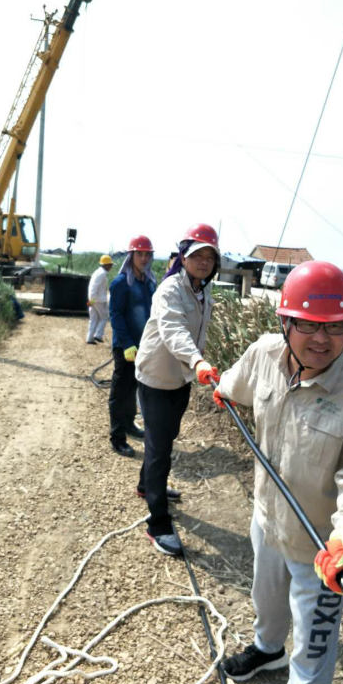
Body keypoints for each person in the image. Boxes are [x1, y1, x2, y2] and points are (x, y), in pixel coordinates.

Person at [213, 260, 343, 684]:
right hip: (267, 520)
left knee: (314, 647)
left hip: (320, 547)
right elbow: (235, 384)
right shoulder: (263, 354)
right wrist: (221, 390)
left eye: (335, 327)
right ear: (285, 322)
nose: (321, 339)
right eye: (308, 324)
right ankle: (267, 649)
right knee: (267, 601)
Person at [135, 223, 221, 557]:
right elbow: (173, 330)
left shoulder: (202, 291)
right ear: (184, 257)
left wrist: (198, 360)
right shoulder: (170, 290)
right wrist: (197, 360)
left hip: (181, 377)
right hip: (156, 377)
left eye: (210, 257)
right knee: (159, 448)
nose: (203, 262)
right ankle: (157, 523)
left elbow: (198, 330)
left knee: (165, 438)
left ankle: (147, 485)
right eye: (197, 255)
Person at [108, 236, 156, 458]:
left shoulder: (149, 283)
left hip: (144, 347)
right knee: (120, 393)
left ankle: (129, 424)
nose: (144, 258)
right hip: (125, 348)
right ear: (131, 256)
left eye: (147, 254)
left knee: (133, 390)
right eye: (140, 254)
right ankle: (117, 438)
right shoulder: (121, 283)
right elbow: (116, 315)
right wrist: (127, 344)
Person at [86, 254, 113, 344]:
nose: (111, 266)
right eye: (110, 264)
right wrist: (92, 300)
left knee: (93, 319)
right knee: (104, 317)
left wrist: (91, 300)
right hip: (98, 300)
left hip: (93, 299)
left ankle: (90, 338)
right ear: (106, 265)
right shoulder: (102, 274)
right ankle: (98, 335)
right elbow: (94, 287)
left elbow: (92, 287)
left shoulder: (97, 272)